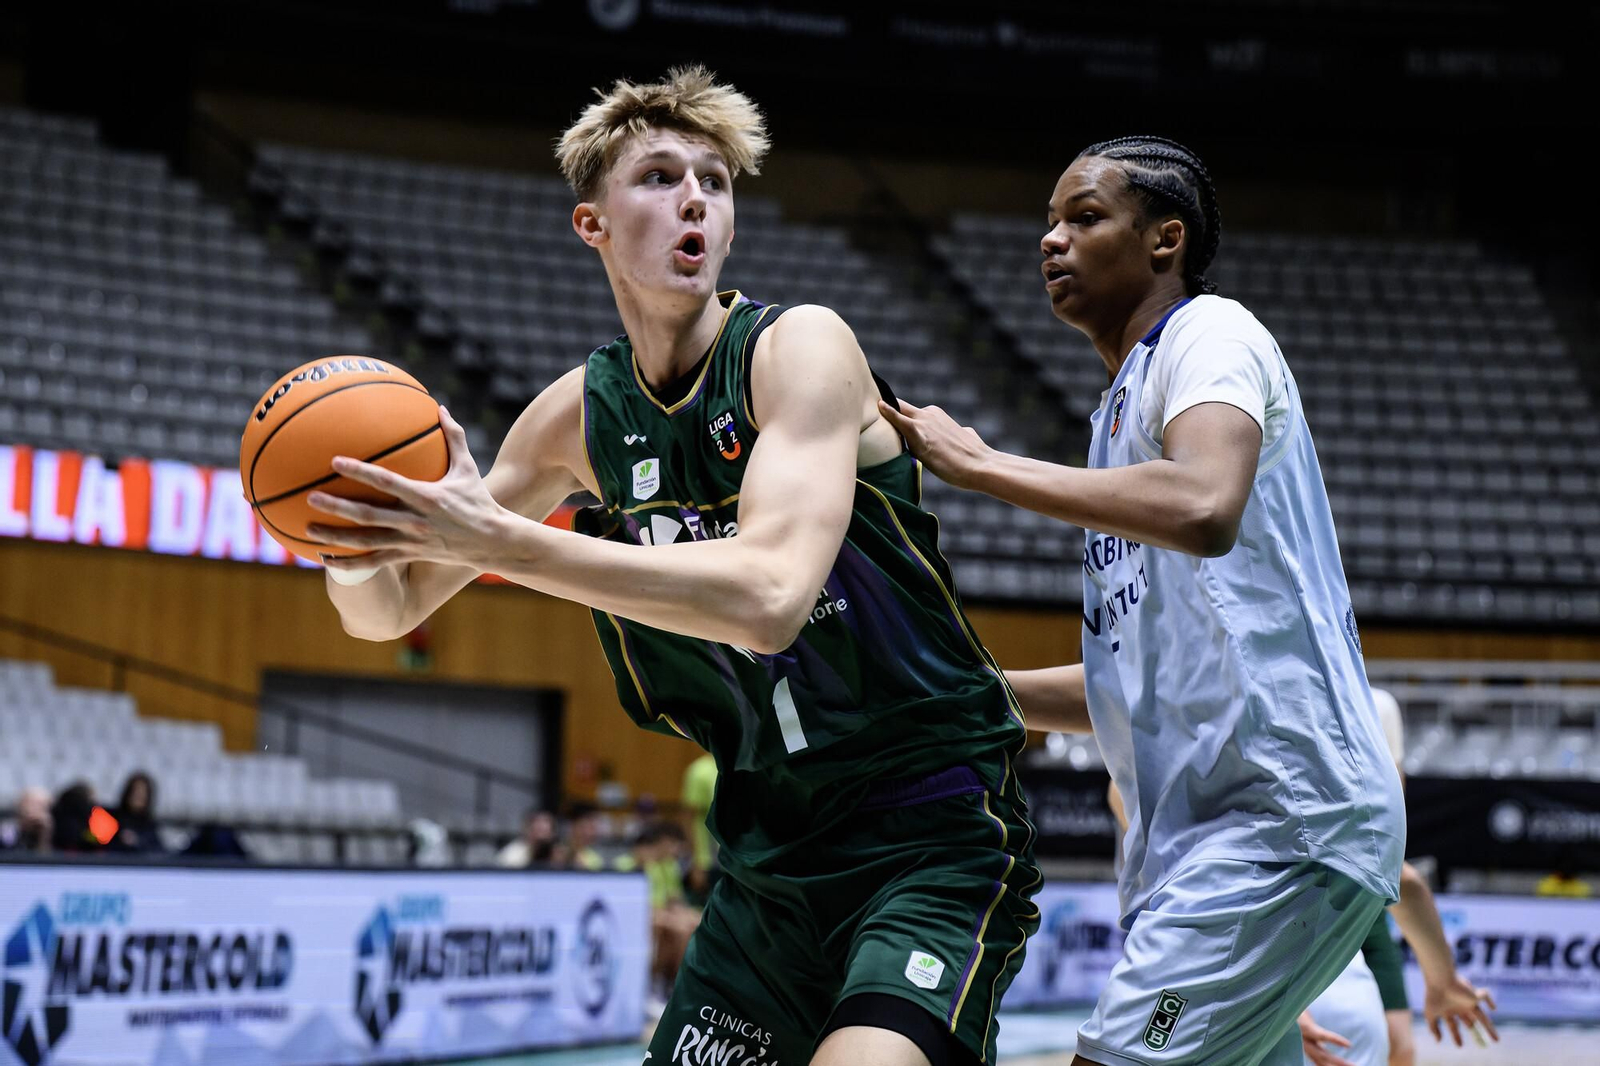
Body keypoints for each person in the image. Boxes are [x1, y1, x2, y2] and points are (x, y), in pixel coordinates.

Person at [309, 66, 1036, 1066]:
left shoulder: (799, 348)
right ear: (592, 224)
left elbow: (771, 598)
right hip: (767, 856)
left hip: (927, 827)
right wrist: (343, 534)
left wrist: (503, 542)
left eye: (714, 180)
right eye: (657, 176)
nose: (694, 196)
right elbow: (387, 611)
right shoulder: (575, 416)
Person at [883, 135, 1407, 1065]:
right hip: (1201, 854)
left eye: (1084, 218)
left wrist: (985, 467)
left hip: (1278, 829)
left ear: (1164, 239)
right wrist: (965, 695)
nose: (1052, 240)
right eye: (1048, 222)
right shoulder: (1115, 416)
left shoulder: (1211, 335)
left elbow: (1206, 505)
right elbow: (1126, 692)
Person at [1298, 687, 1497, 1066]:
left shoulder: (1374, 704)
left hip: (1357, 898)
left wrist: (1441, 978)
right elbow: (1401, 875)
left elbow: (1396, 867)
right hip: (1306, 911)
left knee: (1400, 1047)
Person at [112, 770, 167, 854]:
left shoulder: (149, 825)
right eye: (135, 792)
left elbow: (159, 851)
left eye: (142, 793)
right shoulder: (113, 819)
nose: (138, 796)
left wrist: (137, 842)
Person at [495, 807, 565, 868]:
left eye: (544, 831)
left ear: (553, 833)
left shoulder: (562, 853)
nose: (540, 839)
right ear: (527, 830)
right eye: (538, 830)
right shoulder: (512, 854)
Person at [0, 786, 52, 852]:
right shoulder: (7, 830)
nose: (36, 810)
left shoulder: (52, 834)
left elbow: (45, 859)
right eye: (32, 805)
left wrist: (44, 836)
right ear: (20, 806)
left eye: (42, 806)